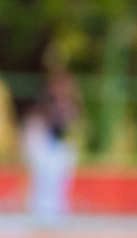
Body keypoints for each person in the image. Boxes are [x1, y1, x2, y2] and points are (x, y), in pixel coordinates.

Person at [22, 63, 79, 224]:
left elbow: (70, 122)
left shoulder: (68, 103)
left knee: (58, 182)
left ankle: (54, 215)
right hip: (46, 145)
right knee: (43, 181)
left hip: (57, 147)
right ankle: (41, 215)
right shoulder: (46, 102)